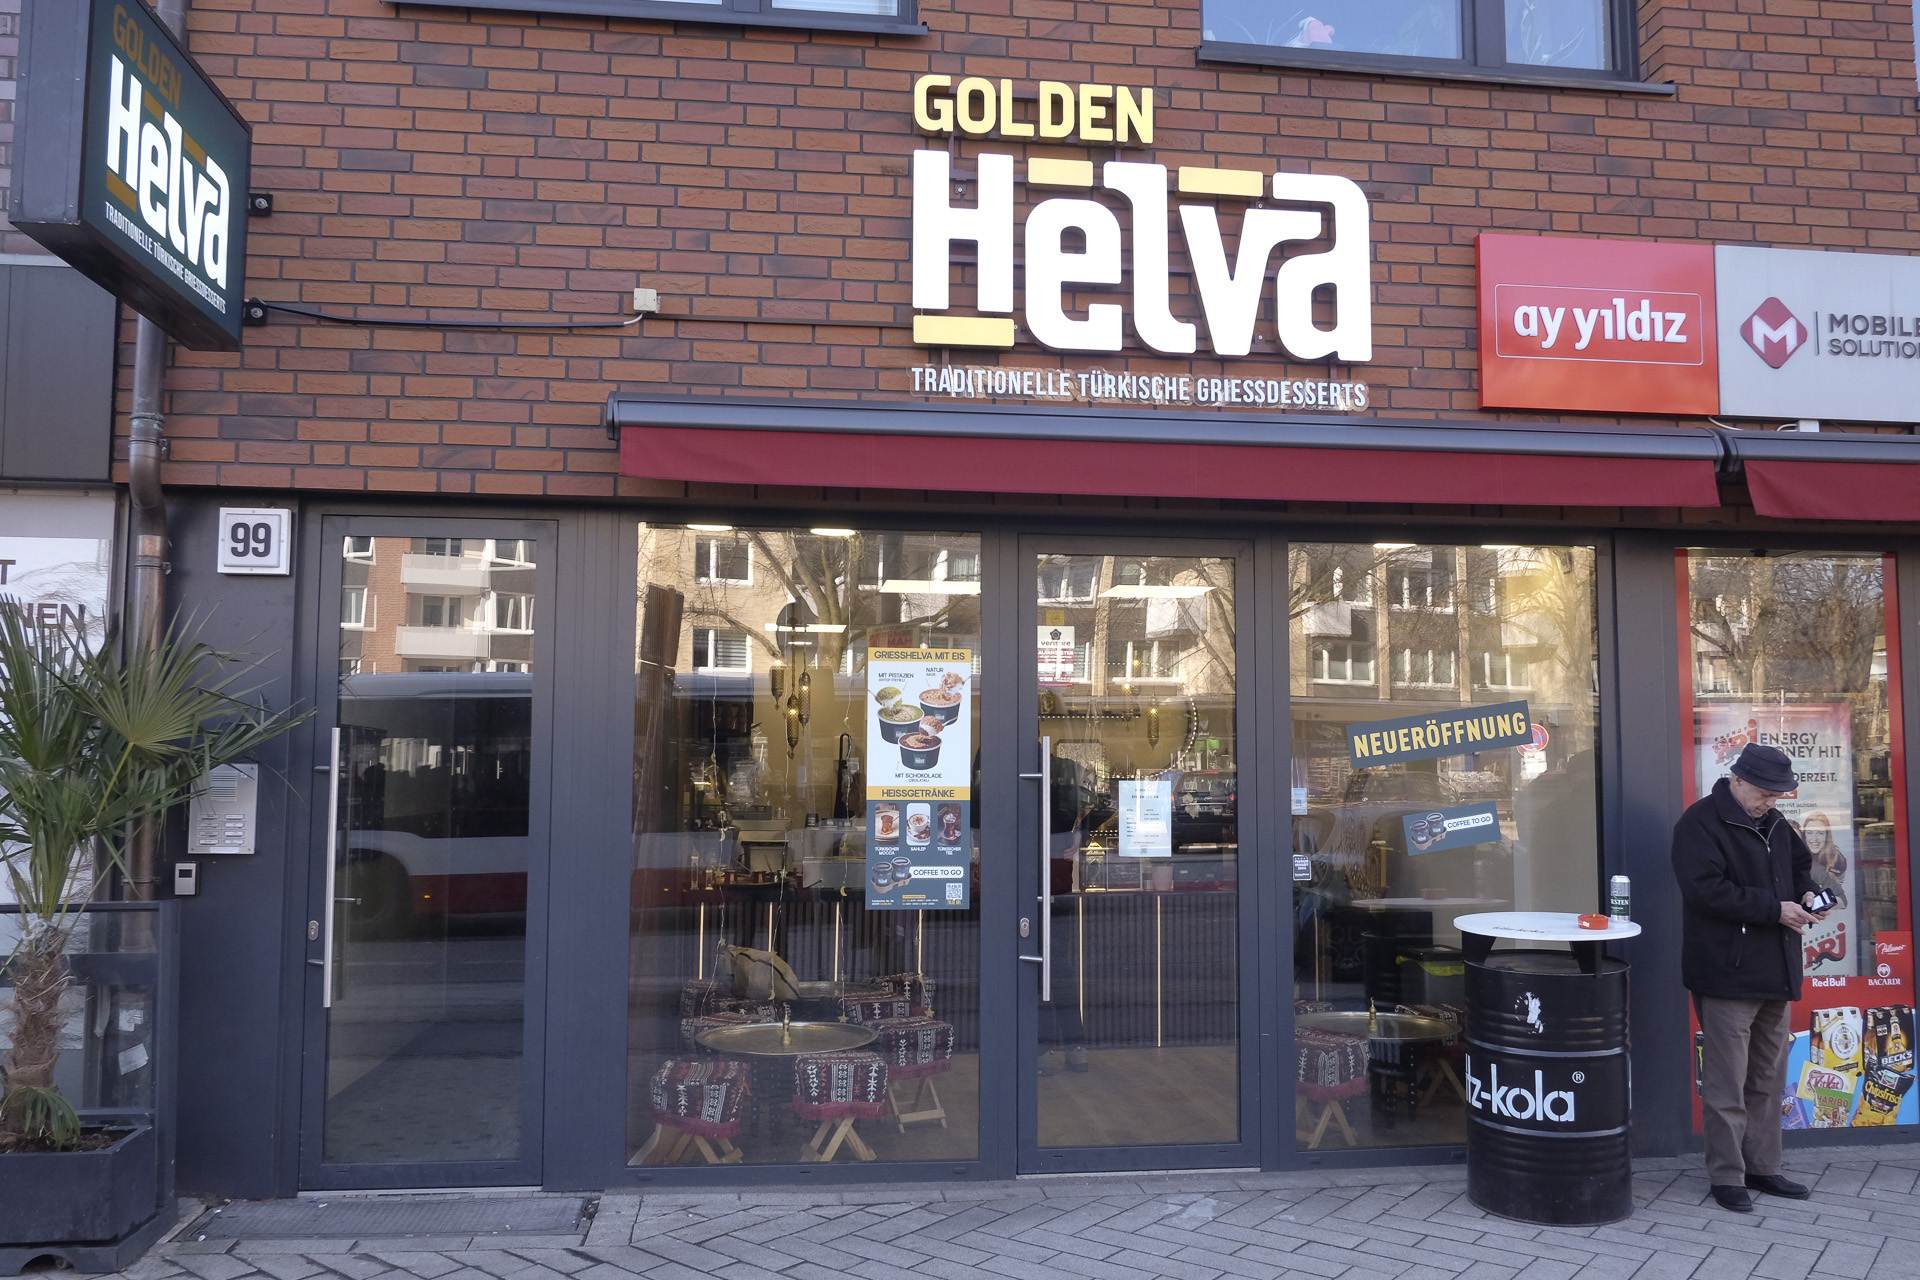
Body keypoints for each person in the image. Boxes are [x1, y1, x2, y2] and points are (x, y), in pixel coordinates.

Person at [1672, 742, 1828, 1213]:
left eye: (1778, 795)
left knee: (1767, 1077)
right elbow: (1705, 892)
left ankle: (1763, 1166)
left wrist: (1809, 894)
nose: (1771, 802)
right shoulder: (1699, 823)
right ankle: (1726, 1176)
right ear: (1737, 780)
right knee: (1727, 1083)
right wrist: (1774, 909)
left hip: (1776, 968)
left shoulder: (1777, 823)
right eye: (1765, 793)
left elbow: (1799, 867)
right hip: (1727, 972)